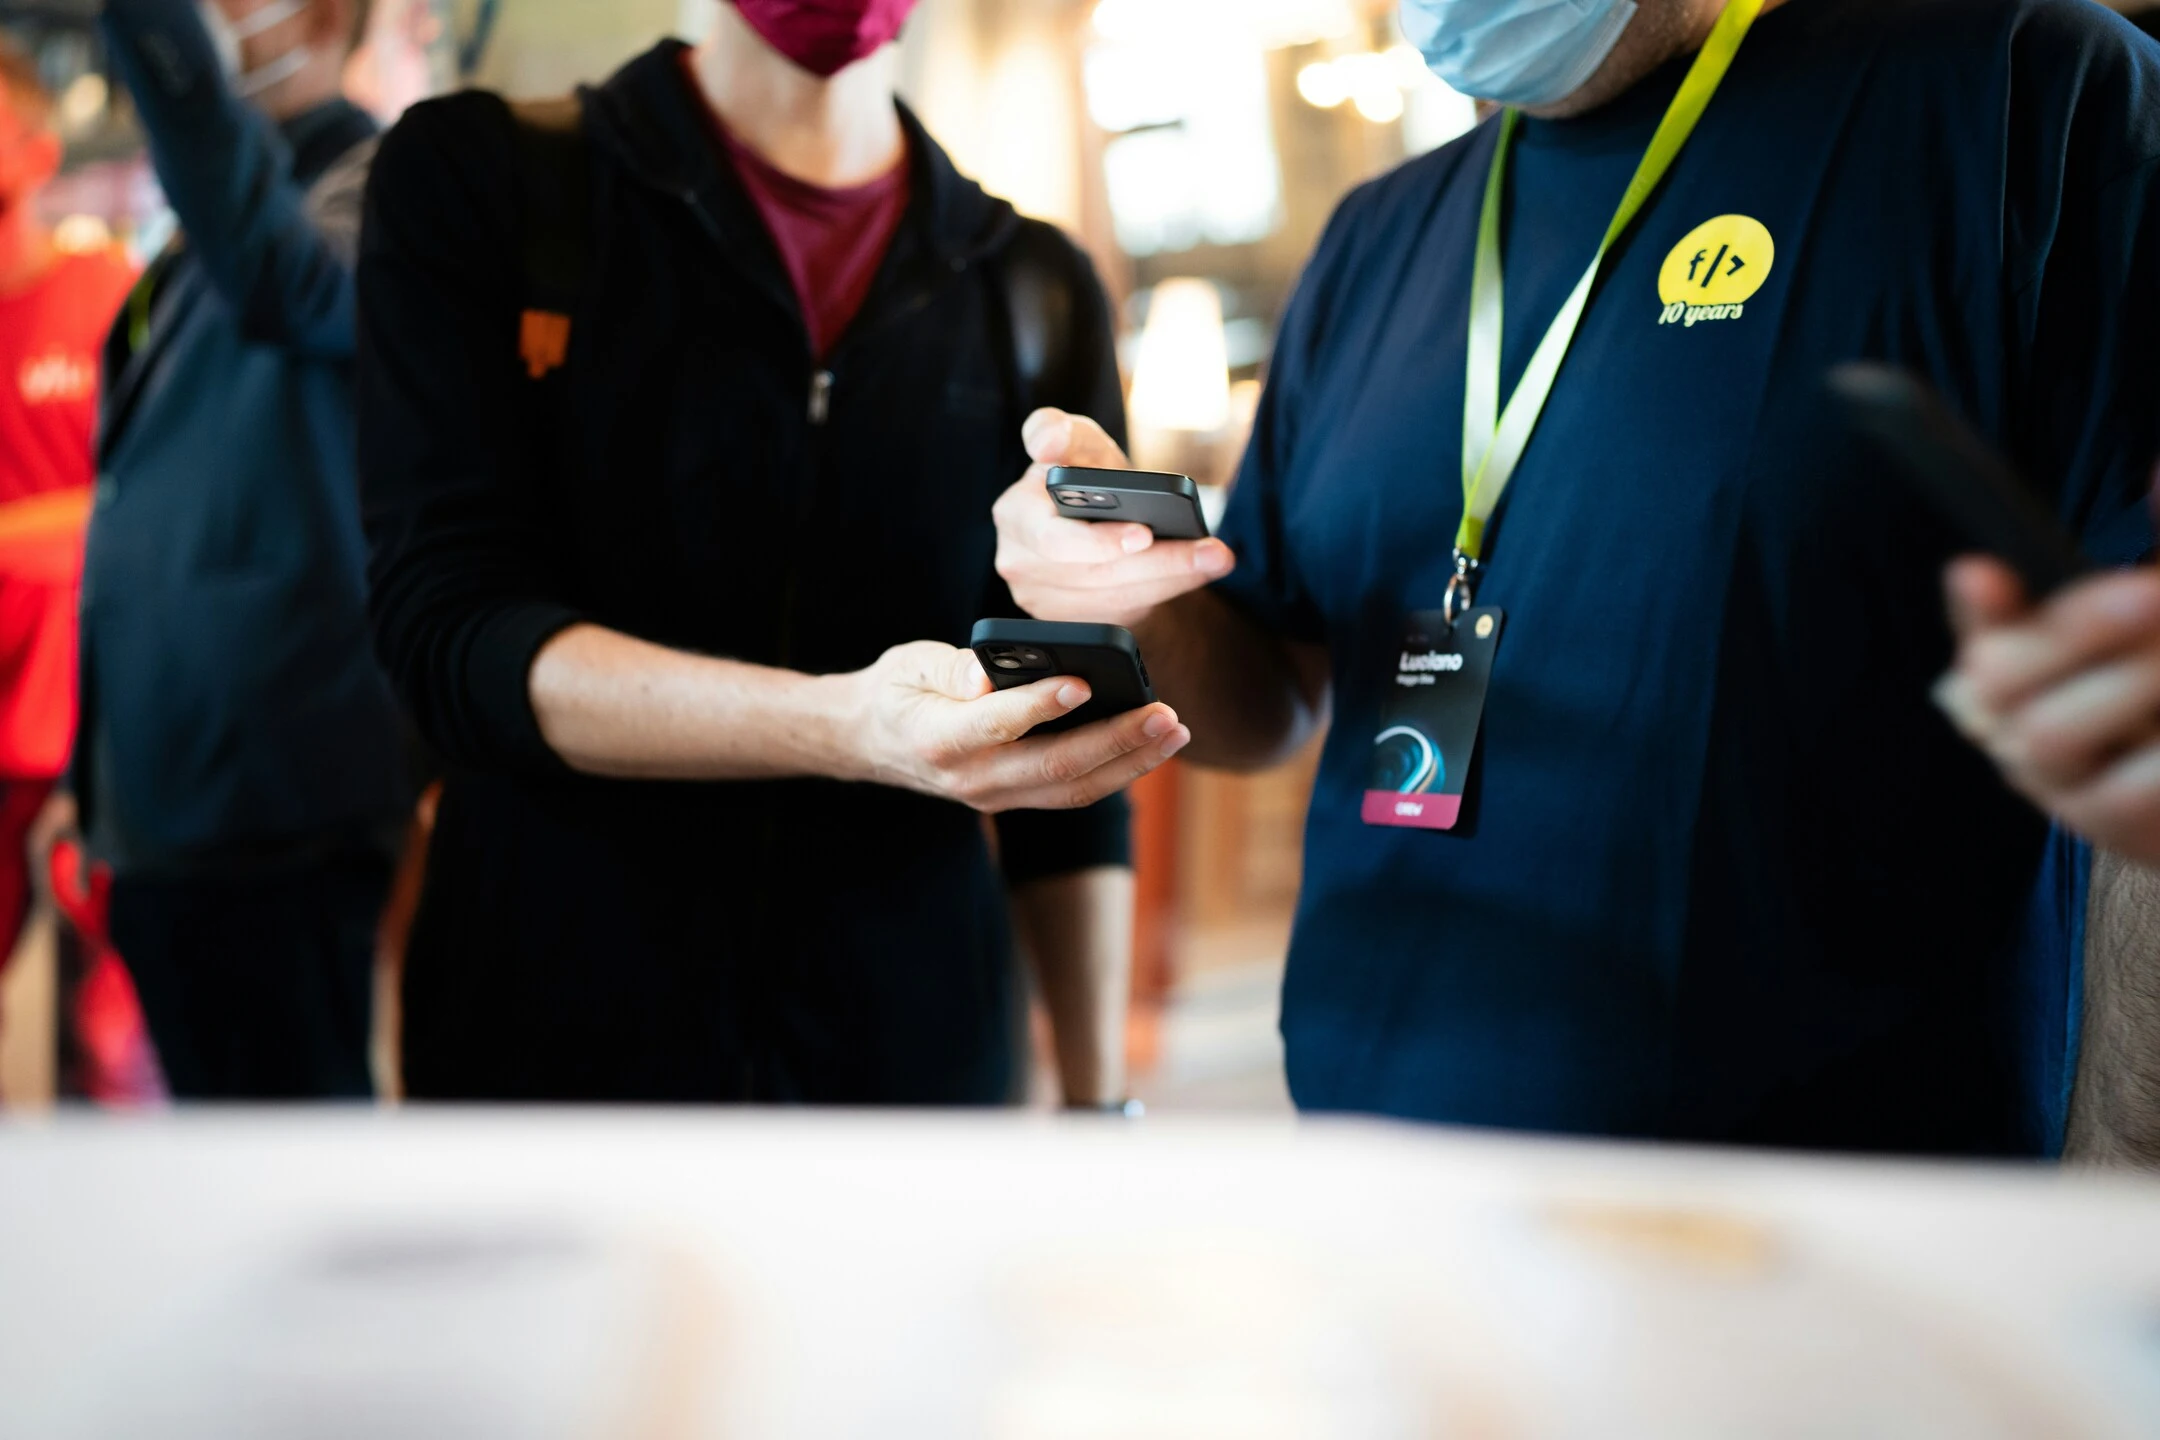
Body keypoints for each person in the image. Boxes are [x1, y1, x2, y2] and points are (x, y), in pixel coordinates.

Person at [995, 0, 2160, 1157]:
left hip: (1831, 1216)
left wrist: (2116, 1229)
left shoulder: (2020, 97)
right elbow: (1267, 701)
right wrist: (1137, 584)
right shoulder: (1374, 241)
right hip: (1371, 1171)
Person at [356, 0, 1184, 1104]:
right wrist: (848, 728)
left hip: (910, 1069)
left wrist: (1094, 1107)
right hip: (555, 1056)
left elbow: (1064, 726)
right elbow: (448, 639)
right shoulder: (483, 182)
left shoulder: (1029, 287)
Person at [58, 0, 411, 1099]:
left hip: (279, 805)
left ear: (315, 17)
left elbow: (291, 286)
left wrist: (155, 35)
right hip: (178, 803)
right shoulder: (228, 215)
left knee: (287, 1160)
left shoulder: (388, 184)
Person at [0, 42, 135, 979]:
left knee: (120, 1029)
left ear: (39, 148)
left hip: (105, 725)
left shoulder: (112, 299)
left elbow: (151, 505)